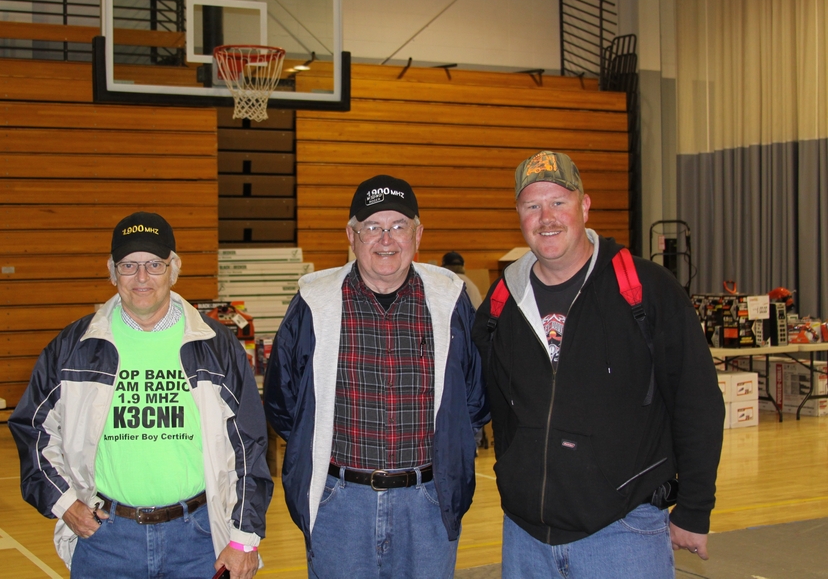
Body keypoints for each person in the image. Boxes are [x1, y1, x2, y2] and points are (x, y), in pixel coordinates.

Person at [472, 151, 725, 578]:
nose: (546, 218)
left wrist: (695, 507)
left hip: (623, 530)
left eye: (558, 202)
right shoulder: (501, 304)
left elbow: (696, 401)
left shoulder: (647, 290)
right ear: (518, 215)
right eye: (532, 206)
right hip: (525, 536)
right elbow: (486, 402)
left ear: (585, 206)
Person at [8, 212, 273, 579]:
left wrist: (244, 538)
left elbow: (250, 446)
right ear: (113, 272)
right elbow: (31, 429)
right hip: (106, 540)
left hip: (199, 541)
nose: (142, 277)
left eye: (154, 264)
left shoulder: (216, 346)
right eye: (129, 265)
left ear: (173, 269)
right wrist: (65, 503)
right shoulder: (74, 347)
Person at [263, 175, 489, 578]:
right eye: (372, 227)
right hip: (339, 505)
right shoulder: (314, 303)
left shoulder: (449, 300)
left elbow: (474, 397)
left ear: (418, 235)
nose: (386, 239)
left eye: (399, 226)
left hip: (428, 504)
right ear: (352, 236)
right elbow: (283, 401)